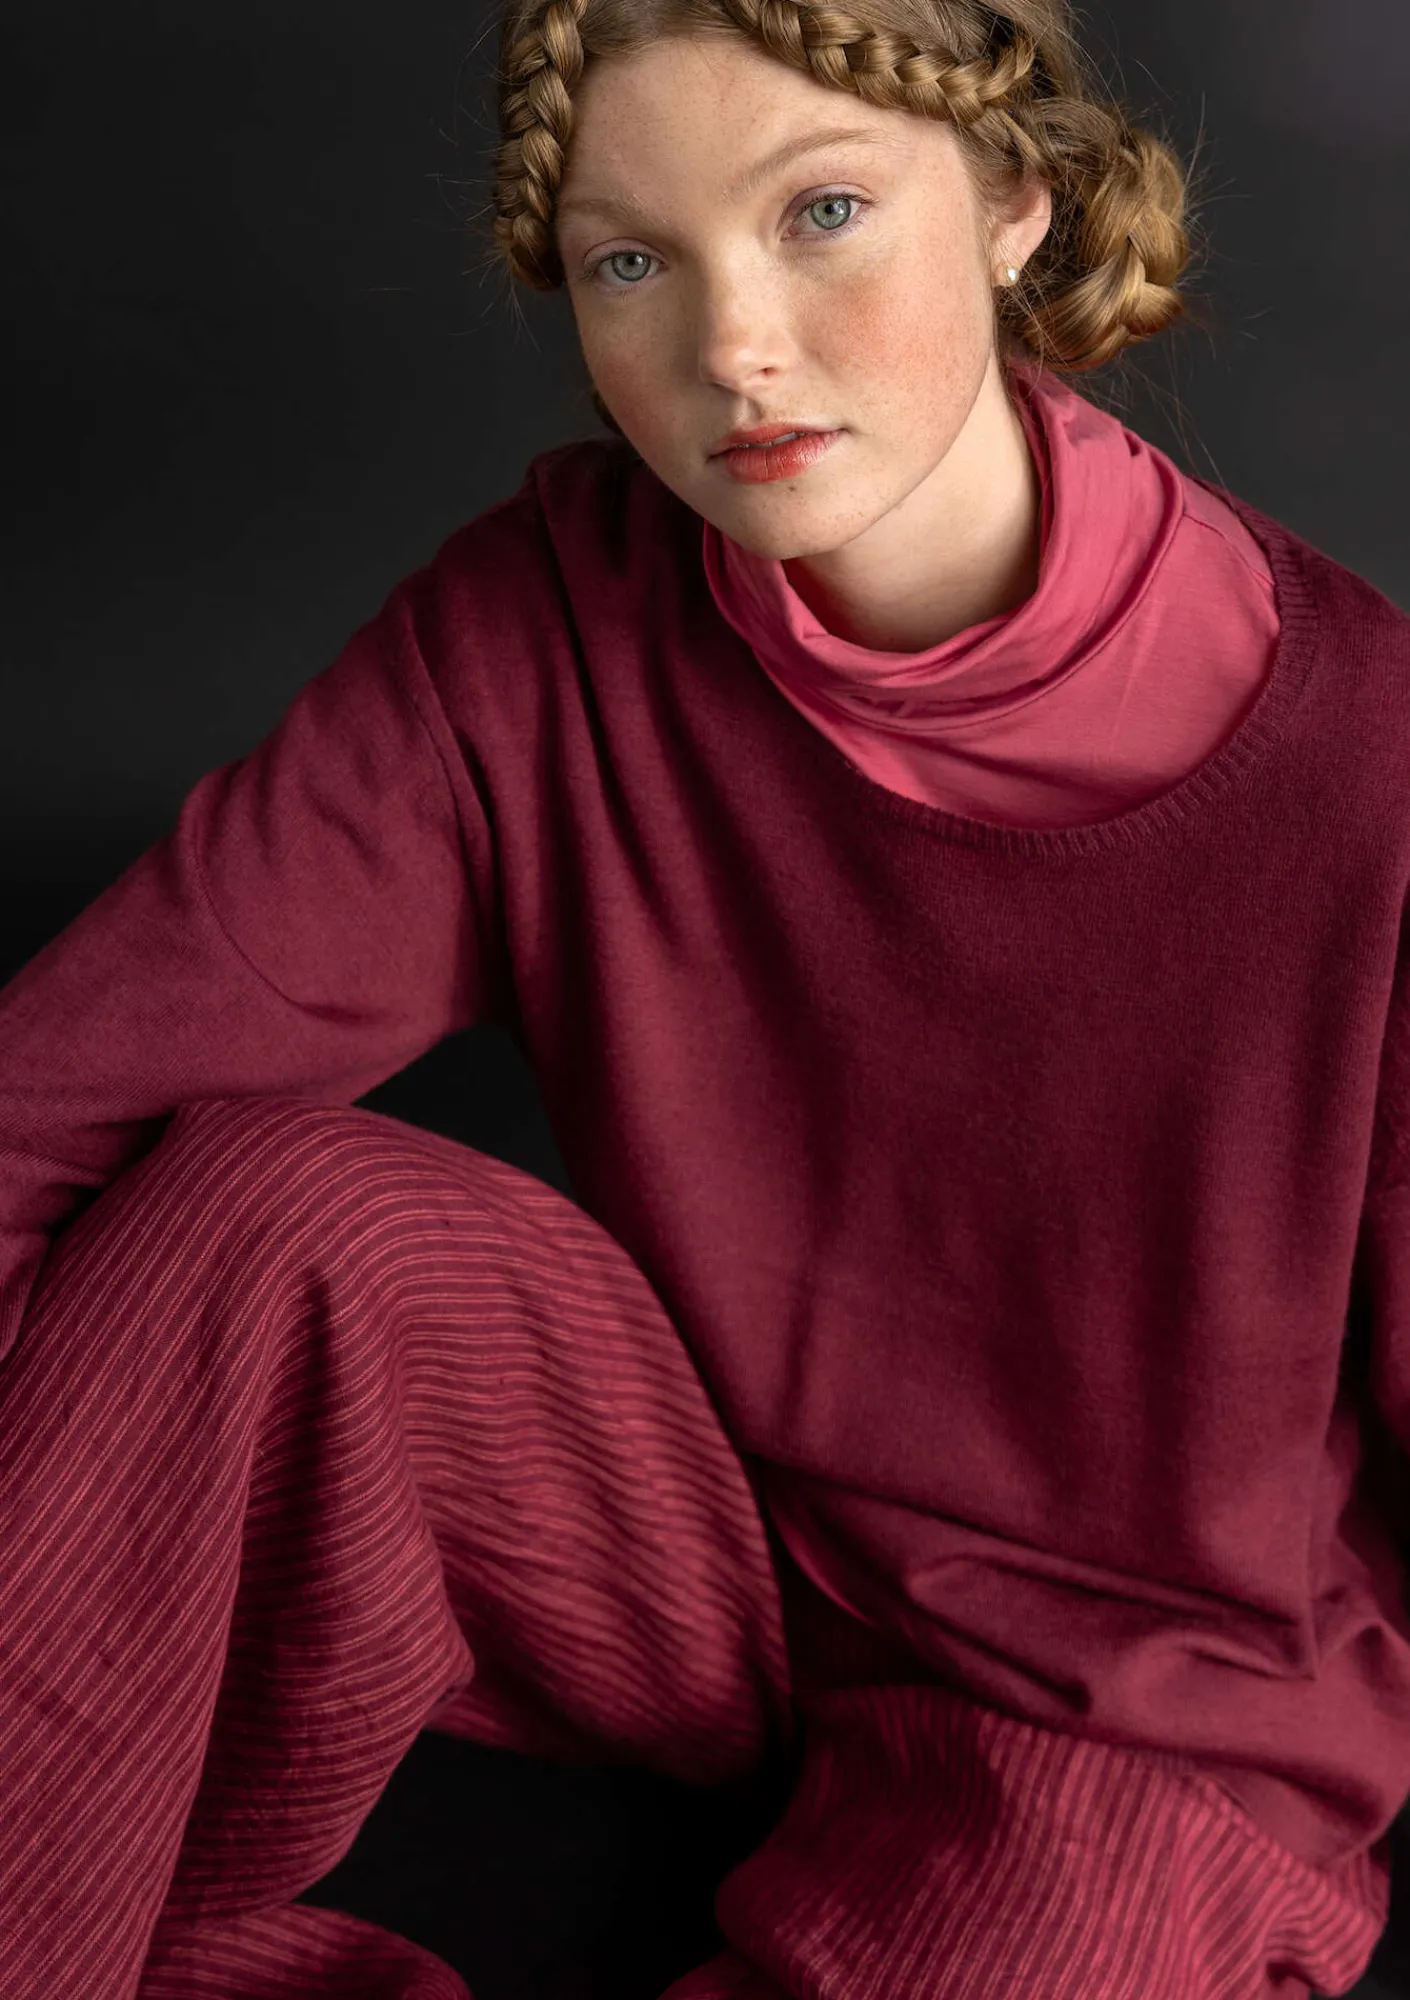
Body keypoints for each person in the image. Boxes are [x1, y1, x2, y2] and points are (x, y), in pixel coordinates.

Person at [0, 0, 1406, 1993]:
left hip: (1125, 1710)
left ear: (1015, 197)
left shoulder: (1373, 772)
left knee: (1055, 1892)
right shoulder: (542, 622)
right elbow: (42, 1110)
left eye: (821, 211)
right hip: (709, 1573)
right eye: (629, 262)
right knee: (254, 1212)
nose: (731, 344)